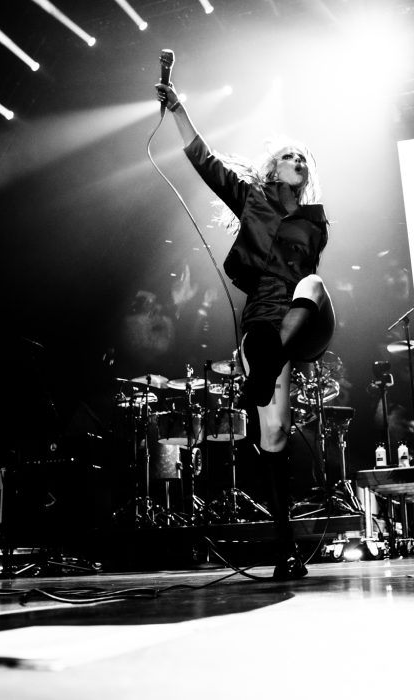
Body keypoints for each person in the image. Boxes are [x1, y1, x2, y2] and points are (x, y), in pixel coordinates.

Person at [156, 82, 335, 580]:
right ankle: (286, 551)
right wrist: (179, 109)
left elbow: (306, 271)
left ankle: (262, 373)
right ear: (274, 167)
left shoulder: (316, 221)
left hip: (304, 315)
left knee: (314, 283)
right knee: (273, 435)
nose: (299, 160)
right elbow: (204, 159)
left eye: (303, 158)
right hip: (262, 322)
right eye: (290, 155)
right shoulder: (251, 198)